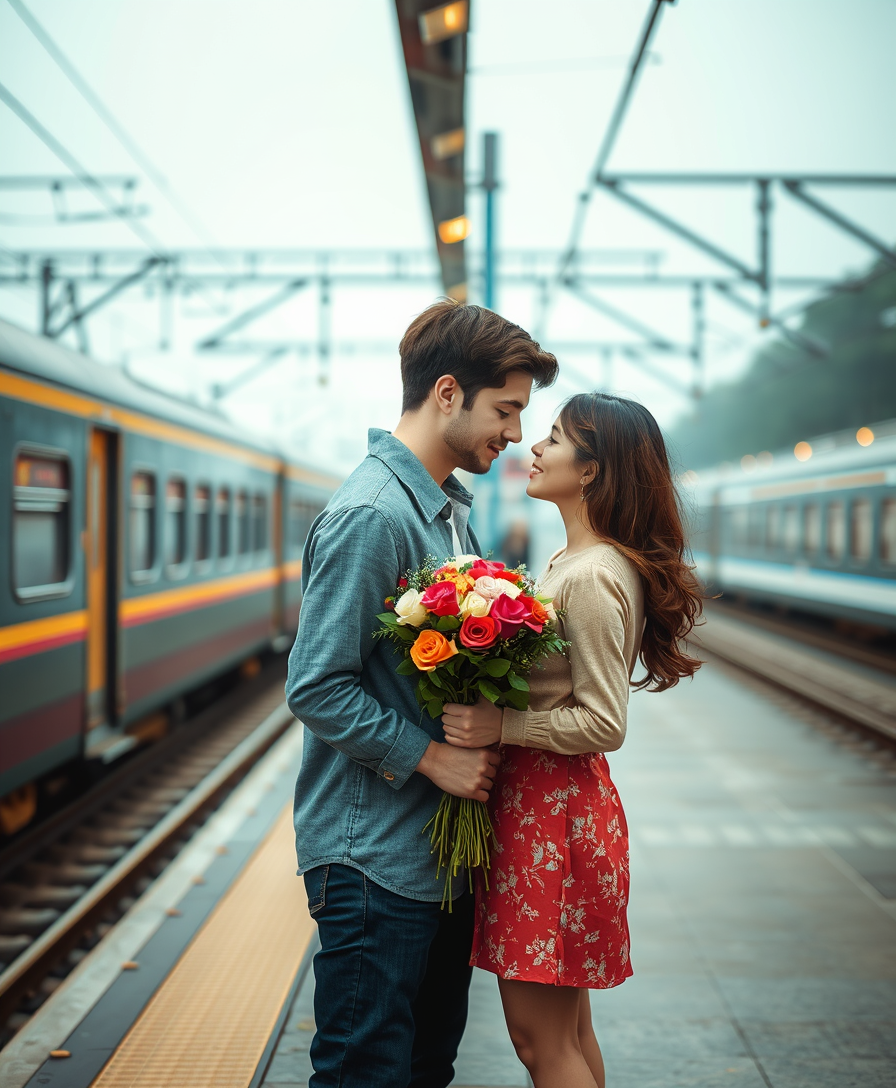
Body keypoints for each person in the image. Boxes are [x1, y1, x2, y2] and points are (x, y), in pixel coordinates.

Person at [285, 299, 558, 1088]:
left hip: (431, 859)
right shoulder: (374, 515)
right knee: (364, 1072)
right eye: (505, 410)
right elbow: (315, 683)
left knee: (423, 1069)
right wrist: (433, 758)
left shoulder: (441, 512)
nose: (513, 434)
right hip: (373, 860)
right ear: (447, 394)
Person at [441, 392, 703, 1088]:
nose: (535, 447)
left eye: (554, 439)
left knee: (540, 1041)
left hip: (551, 819)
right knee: (567, 1033)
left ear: (591, 471)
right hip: (551, 812)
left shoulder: (590, 576)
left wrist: (503, 725)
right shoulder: (581, 561)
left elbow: (604, 722)